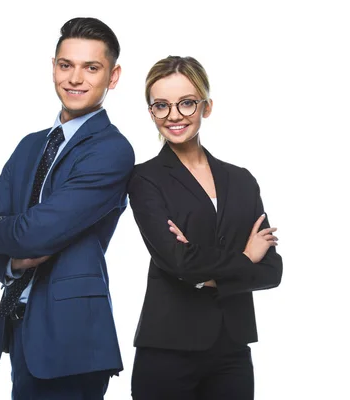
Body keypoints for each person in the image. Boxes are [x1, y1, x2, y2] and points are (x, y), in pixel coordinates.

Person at [0, 17, 134, 399]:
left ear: (113, 76)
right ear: (54, 67)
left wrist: (3, 231)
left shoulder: (111, 150)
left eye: (91, 67)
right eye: (66, 65)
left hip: (72, 339)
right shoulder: (31, 145)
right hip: (22, 326)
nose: (75, 78)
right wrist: (11, 261)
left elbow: (37, 232)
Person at [127, 55, 283, 400]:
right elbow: (178, 263)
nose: (174, 115)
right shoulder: (144, 179)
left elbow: (272, 270)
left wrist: (200, 268)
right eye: (161, 106)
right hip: (168, 348)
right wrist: (245, 257)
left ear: (206, 106)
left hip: (232, 348)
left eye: (186, 103)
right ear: (151, 112)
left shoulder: (241, 181)